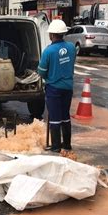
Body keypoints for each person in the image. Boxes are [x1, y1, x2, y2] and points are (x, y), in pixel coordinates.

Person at [38, 19, 76, 153]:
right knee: (65, 116)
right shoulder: (71, 47)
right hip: (68, 87)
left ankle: (55, 147)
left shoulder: (49, 51)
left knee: (54, 117)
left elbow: (41, 71)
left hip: (54, 88)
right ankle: (67, 145)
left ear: (52, 35)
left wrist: (49, 75)